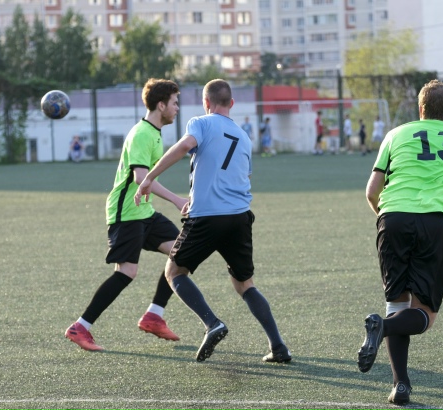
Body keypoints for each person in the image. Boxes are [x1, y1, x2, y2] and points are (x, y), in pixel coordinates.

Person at [134, 79, 291, 364]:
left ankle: (212, 323)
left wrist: (149, 178)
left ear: (206, 103)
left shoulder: (201, 123)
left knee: (174, 272)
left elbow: (185, 146)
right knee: (245, 284)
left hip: (207, 217)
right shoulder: (244, 137)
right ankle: (278, 346)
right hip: (240, 217)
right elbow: (244, 176)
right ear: (232, 103)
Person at [358, 79, 443, 405]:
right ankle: (383, 328)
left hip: (393, 219)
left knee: (397, 303)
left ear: (421, 109)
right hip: (437, 223)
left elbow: (372, 191)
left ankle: (401, 385)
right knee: (425, 315)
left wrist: (385, 217)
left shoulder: (396, 135)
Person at [65, 79, 188, 351]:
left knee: (183, 253)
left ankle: (154, 315)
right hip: (127, 213)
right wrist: (177, 199)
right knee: (127, 272)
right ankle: (80, 327)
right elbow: (141, 178)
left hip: (144, 211)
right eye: (175, 102)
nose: (177, 107)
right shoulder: (143, 134)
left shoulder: (154, 132)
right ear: (161, 105)